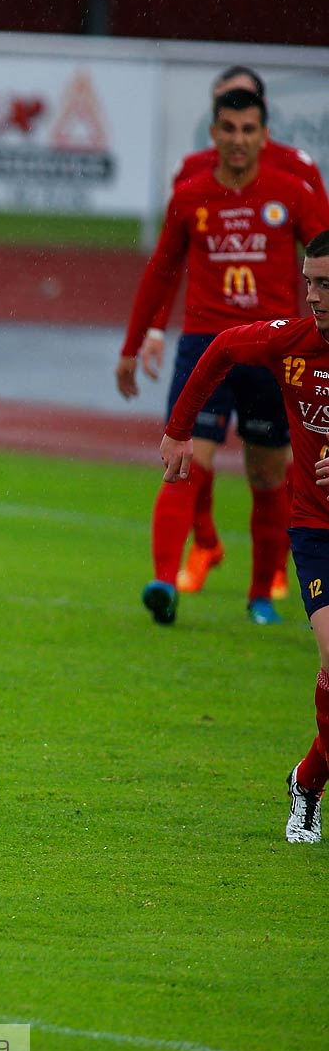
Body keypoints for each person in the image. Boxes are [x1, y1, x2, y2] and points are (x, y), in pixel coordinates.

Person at [118, 88, 329, 626]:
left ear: (264, 136)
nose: (238, 139)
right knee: (188, 460)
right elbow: (161, 272)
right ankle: (163, 582)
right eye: (228, 129)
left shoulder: (293, 193)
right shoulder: (190, 196)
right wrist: (134, 342)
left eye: (248, 129)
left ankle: (262, 593)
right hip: (204, 344)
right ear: (212, 134)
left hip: (275, 354)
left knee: (266, 474)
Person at [158, 229, 329, 843]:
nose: (315, 296)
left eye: (327, 284)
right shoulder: (293, 343)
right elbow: (225, 346)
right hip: (315, 532)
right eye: (310, 281)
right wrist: (180, 427)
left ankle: (308, 780)